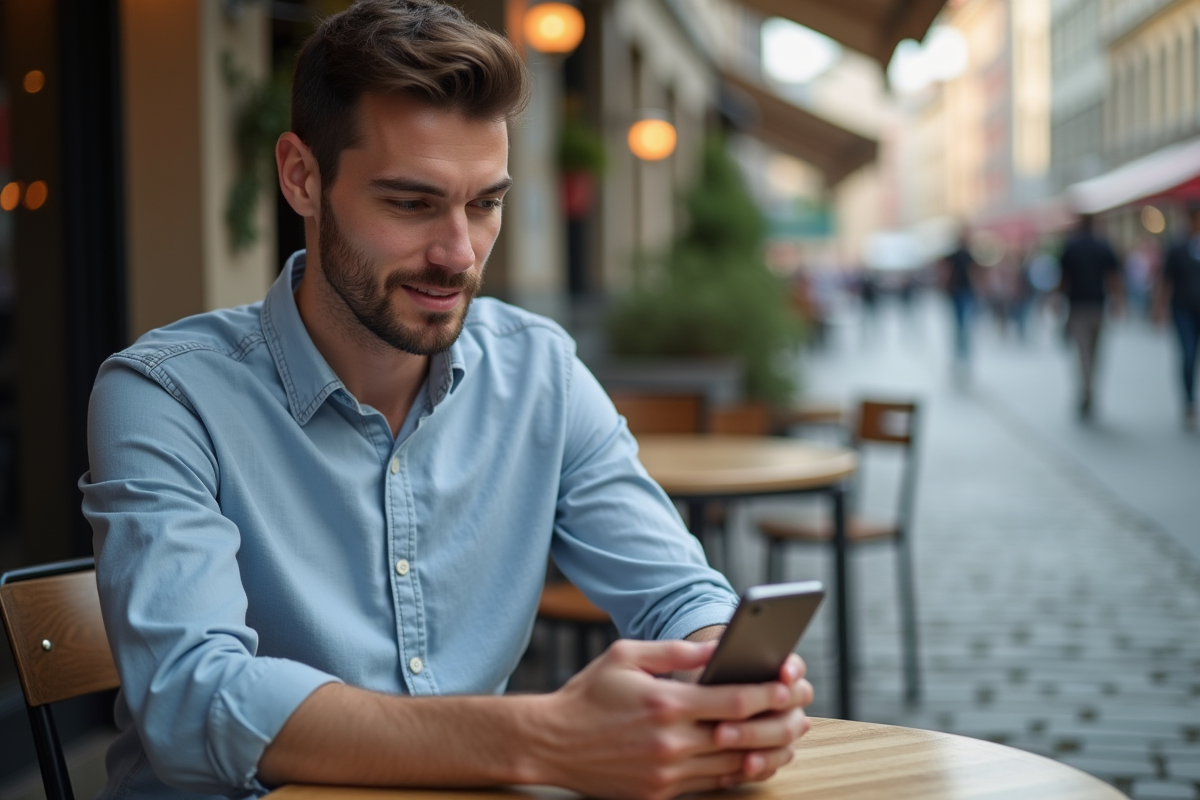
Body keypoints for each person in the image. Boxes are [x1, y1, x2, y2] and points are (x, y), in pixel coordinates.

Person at [78, 3, 812, 799]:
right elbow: (191, 700)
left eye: (484, 204)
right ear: (302, 177)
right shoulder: (165, 395)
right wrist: (545, 739)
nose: (458, 254)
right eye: (410, 203)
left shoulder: (540, 372)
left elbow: (676, 593)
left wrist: (726, 682)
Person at [1057, 215, 1123, 420]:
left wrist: (1055, 300)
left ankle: (1086, 390)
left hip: (1077, 308)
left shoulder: (1071, 246)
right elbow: (1113, 277)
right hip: (1098, 306)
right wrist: (1118, 302)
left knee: (1083, 353)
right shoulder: (1103, 246)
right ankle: (1089, 389)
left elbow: (1063, 278)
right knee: (1094, 353)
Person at [1157, 203, 1200, 428]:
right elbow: (1166, 280)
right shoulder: (1177, 248)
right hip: (1183, 309)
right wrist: (1159, 308)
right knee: (1189, 354)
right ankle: (1189, 400)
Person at [939, 233, 978, 374]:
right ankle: (960, 354)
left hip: (964, 292)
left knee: (962, 325)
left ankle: (962, 353)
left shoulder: (967, 255)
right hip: (957, 292)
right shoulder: (955, 255)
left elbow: (974, 272)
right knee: (960, 325)